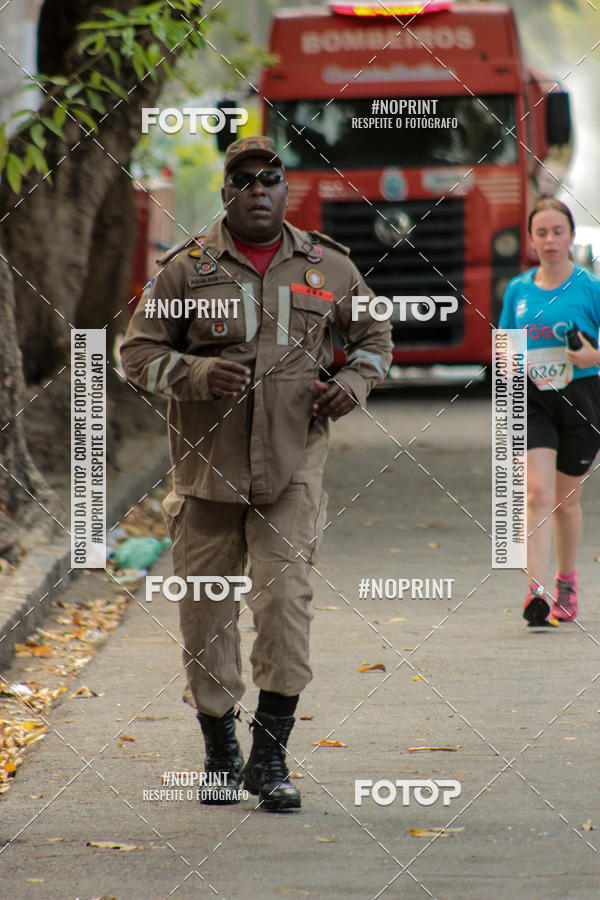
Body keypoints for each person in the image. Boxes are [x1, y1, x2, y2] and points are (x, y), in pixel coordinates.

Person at [120, 136, 392, 810]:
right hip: (205, 476)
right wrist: (200, 373)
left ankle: (269, 757)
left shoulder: (326, 266)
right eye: (245, 180)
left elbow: (376, 338)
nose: (259, 190)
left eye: (271, 179)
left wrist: (352, 383)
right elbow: (138, 353)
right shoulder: (187, 270)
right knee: (205, 618)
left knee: (283, 606)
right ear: (227, 193)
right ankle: (220, 750)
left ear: (285, 190)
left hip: (292, 471)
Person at [499, 198, 600, 627]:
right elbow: (503, 344)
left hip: (583, 398)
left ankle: (566, 582)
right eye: (542, 232)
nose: (550, 240)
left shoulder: (590, 286)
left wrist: (590, 355)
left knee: (565, 501)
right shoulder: (518, 290)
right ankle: (535, 591)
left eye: (558, 231)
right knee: (536, 494)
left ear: (571, 236)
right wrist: (508, 362)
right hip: (532, 399)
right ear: (531, 239)